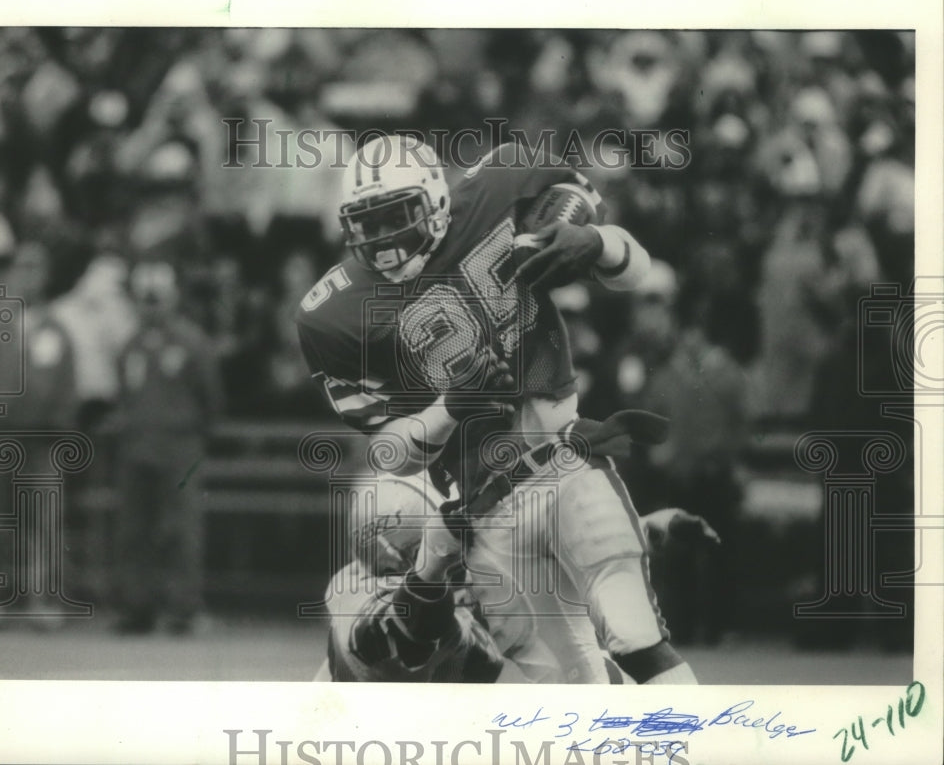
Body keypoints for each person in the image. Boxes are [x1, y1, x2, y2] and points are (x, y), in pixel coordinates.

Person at [296, 134, 695, 684]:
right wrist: (452, 407)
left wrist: (598, 241)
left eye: (397, 216)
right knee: (577, 692)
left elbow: (637, 268)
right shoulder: (335, 314)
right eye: (368, 225)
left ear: (435, 198)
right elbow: (392, 452)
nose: (385, 241)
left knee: (635, 637)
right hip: (486, 511)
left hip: (562, 462)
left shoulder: (497, 191)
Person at [320, 473, 719, 683]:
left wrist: (649, 528)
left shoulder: (455, 574)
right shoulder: (354, 598)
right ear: (398, 552)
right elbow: (412, 628)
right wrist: (433, 569)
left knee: (599, 677)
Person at [111, 259, 224, 633]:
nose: (151, 306)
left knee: (182, 529)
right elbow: (124, 393)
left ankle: (182, 609)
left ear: (172, 299)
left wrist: (190, 433)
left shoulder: (193, 341)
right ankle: (137, 608)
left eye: (157, 298)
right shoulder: (130, 344)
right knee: (134, 531)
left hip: (180, 446)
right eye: (146, 299)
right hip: (137, 446)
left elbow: (212, 398)